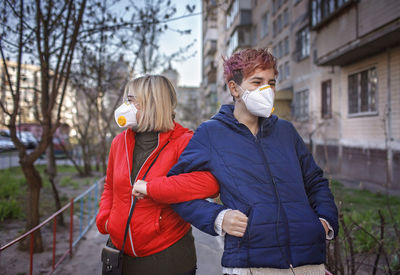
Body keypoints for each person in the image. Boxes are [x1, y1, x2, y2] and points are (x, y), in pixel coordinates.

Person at [133, 49, 339, 275]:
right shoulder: (211, 133)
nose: (267, 90)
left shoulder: (286, 131)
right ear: (234, 88)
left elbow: (315, 182)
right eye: (257, 82)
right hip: (249, 263)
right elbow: (177, 191)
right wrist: (218, 218)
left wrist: (325, 221)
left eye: (271, 83)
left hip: (308, 262)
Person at [96, 75, 219, 275]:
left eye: (131, 100)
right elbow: (110, 186)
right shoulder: (119, 142)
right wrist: (105, 220)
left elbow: (210, 184)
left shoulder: (184, 141)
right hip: (119, 257)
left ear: (153, 103)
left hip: (167, 259)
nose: (125, 105)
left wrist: (152, 188)